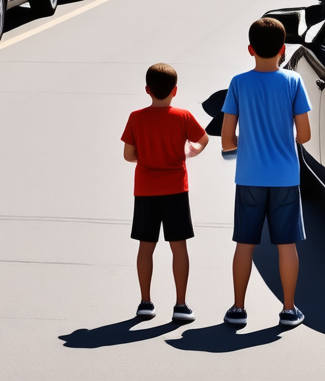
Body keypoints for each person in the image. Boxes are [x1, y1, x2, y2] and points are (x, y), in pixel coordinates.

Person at [220, 18, 313, 329]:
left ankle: (238, 309)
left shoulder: (238, 83)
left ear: (250, 49)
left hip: (249, 176)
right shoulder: (293, 82)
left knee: (244, 244)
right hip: (285, 177)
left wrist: (246, 142)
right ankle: (288, 309)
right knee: (287, 245)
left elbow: (227, 140)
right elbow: (305, 135)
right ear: (283, 49)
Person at [121, 63, 208, 323]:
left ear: (147, 90)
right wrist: (190, 151)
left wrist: (144, 156)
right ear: (175, 90)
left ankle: (145, 302)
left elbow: (128, 155)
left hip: (146, 190)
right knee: (179, 247)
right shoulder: (183, 116)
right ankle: (180, 304)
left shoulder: (136, 118)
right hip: (175, 189)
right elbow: (203, 139)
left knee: (145, 247)